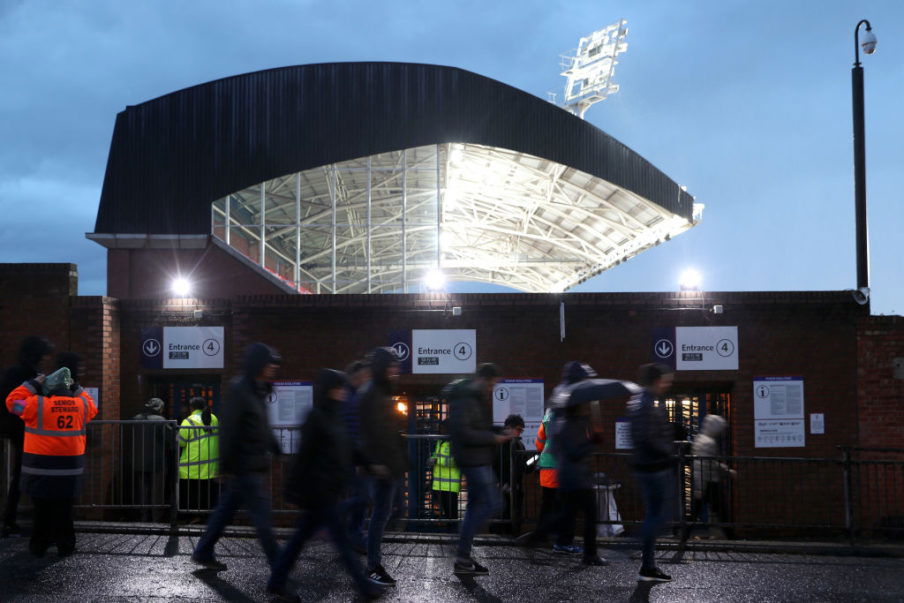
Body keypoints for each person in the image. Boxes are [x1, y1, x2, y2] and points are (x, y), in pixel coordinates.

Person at [268, 369, 383, 601]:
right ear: (330, 390)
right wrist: (291, 489)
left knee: (299, 539)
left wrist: (370, 465)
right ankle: (364, 587)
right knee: (339, 540)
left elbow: (350, 448)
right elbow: (303, 456)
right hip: (318, 490)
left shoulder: (335, 416)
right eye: (339, 388)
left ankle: (277, 580)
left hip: (329, 489)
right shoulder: (316, 417)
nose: (343, 392)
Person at [192, 343, 283, 571]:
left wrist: (275, 446)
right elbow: (229, 429)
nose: (273, 367)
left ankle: (203, 550)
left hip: (251, 464)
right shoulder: (240, 389)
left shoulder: (258, 390)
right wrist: (224, 465)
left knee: (225, 511)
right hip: (245, 465)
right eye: (269, 363)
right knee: (261, 518)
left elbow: (261, 425)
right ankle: (279, 566)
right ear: (258, 364)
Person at [5, 366, 97, 556]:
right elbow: (92, 406)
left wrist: (32, 384)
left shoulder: (36, 405)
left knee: (42, 511)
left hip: (41, 470)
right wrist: (76, 387)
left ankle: (39, 546)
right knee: (65, 510)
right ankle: (66, 545)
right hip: (70, 470)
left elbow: (12, 403)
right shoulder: (81, 405)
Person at [447, 362, 513, 576]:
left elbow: (477, 428)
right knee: (494, 503)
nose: (492, 389)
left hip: (479, 459)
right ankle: (460, 546)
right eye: (491, 384)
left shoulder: (474, 398)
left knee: (474, 508)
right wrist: (493, 438)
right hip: (472, 461)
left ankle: (463, 558)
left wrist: (499, 431)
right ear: (483, 379)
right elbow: (464, 433)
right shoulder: (465, 399)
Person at [534, 361, 596, 554]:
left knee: (549, 504)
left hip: (546, 465)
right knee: (566, 507)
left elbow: (539, 441)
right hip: (562, 464)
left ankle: (542, 535)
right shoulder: (572, 408)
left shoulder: (549, 412)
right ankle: (559, 540)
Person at [359, 347, 406, 587]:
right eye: (392, 365)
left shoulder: (382, 391)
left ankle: (372, 563)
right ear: (382, 367)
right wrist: (374, 462)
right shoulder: (372, 392)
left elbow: (386, 430)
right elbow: (367, 432)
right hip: (382, 467)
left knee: (389, 512)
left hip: (390, 465)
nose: (396, 370)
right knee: (380, 515)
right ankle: (372, 566)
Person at [0, 335, 53, 537]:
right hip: (24, 430)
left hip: (19, 429)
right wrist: (32, 409)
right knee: (28, 473)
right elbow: (13, 404)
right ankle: (15, 518)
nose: (46, 359)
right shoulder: (26, 374)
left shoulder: (18, 372)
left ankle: (12, 517)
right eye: (44, 355)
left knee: (21, 474)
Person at [628, 363, 676, 582]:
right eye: (666, 380)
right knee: (658, 516)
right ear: (657, 381)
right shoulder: (645, 404)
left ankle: (648, 566)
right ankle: (633, 547)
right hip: (653, 467)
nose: (667, 385)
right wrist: (667, 451)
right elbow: (647, 438)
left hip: (649, 466)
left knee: (655, 515)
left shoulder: (643, 402)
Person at [682, 414, 735, 543]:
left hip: (705, 482)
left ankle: (685, 536)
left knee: (697, 512)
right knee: (721, 511)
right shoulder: (708, 443)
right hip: (709, 482)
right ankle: (731, 537)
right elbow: (705, 465)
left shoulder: (700, 439)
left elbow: (703, 464)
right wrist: (700, 488)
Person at [340, 359, 372, 553]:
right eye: (364, 376)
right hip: (352, 459)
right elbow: (353, 432)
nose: (366, 379)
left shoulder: (352, 396)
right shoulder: (350, 398)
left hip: (352, 457)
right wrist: (360, 459)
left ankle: (351, 534)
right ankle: (353, 535)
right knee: (361, 497)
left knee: (359, 497)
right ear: (356, 376)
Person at [131, 397, 172, 521]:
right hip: (157, 461)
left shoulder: (136, 418)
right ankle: (156, 516)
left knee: (143, 489)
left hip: (139, 460)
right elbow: (169, 439)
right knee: (157, 490)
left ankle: (144, 515)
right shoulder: (161, 420)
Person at [178, 397, 219, 515]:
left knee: (192, 498)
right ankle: (205, 518)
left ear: (191, 407)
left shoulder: (188, 421)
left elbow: (180, 442)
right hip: (211, 468)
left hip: (192, 468)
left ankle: (193, 517)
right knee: (208, 497)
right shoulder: (214, 418)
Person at [492, 414, 526, 534]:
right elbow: (494, 464)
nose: (519, 433)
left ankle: (513, 537)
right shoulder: (499, 444)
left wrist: (534, 460)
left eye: (521, 430)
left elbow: (524, 467)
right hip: (501, 488)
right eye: (518, 429)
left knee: (514, 519)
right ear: (508, 428)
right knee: (499, 519)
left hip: (515, 488)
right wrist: (500, 483)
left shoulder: (519, 445)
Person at [429, 420, 460, 530]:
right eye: (440, 428)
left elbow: (456, 461)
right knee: (447, 512)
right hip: (439, 483)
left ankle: (453, 532)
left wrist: (437, 461)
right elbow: (436, 454)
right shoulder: (440, 441)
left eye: (443, 428)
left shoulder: (455, 442)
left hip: (451, 484)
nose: (441, 430)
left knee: (451, 513)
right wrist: (432, 458)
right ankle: (450, 531)